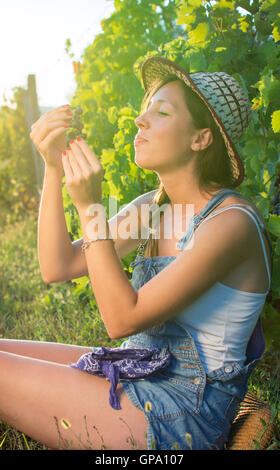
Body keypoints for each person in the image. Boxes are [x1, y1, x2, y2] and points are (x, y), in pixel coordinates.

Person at [0, 56, 273, 451]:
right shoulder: (154, 206)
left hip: (180, 414)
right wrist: (54, 168)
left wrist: (89, 206)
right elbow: (56, 266)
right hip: (137, 372)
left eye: (161, 111)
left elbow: (121, 319)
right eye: (145, 110)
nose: (139, 121)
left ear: (201, 138)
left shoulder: (231, 223)